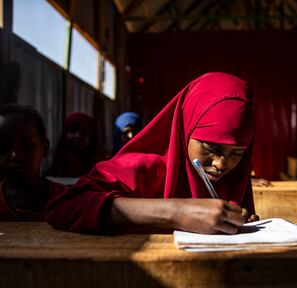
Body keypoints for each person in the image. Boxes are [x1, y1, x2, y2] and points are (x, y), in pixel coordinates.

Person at [47, 72, 259, 234]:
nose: (222, 164)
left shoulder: (235, 176)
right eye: (211, 148)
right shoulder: (143, 166)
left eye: (237, 153)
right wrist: (176, 212)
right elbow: (64, 206)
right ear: (186, 128)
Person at [0, 104, 66, 221]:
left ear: (44, 149)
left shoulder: (67, 199)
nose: (16, 156)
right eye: (4, 147)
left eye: (28, 145)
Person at [49, 113, 105, 177]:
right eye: (73, 130)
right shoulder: (60, 160)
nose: (77, 136)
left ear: (92, 137)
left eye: (83, 132)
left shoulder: (99, 165)